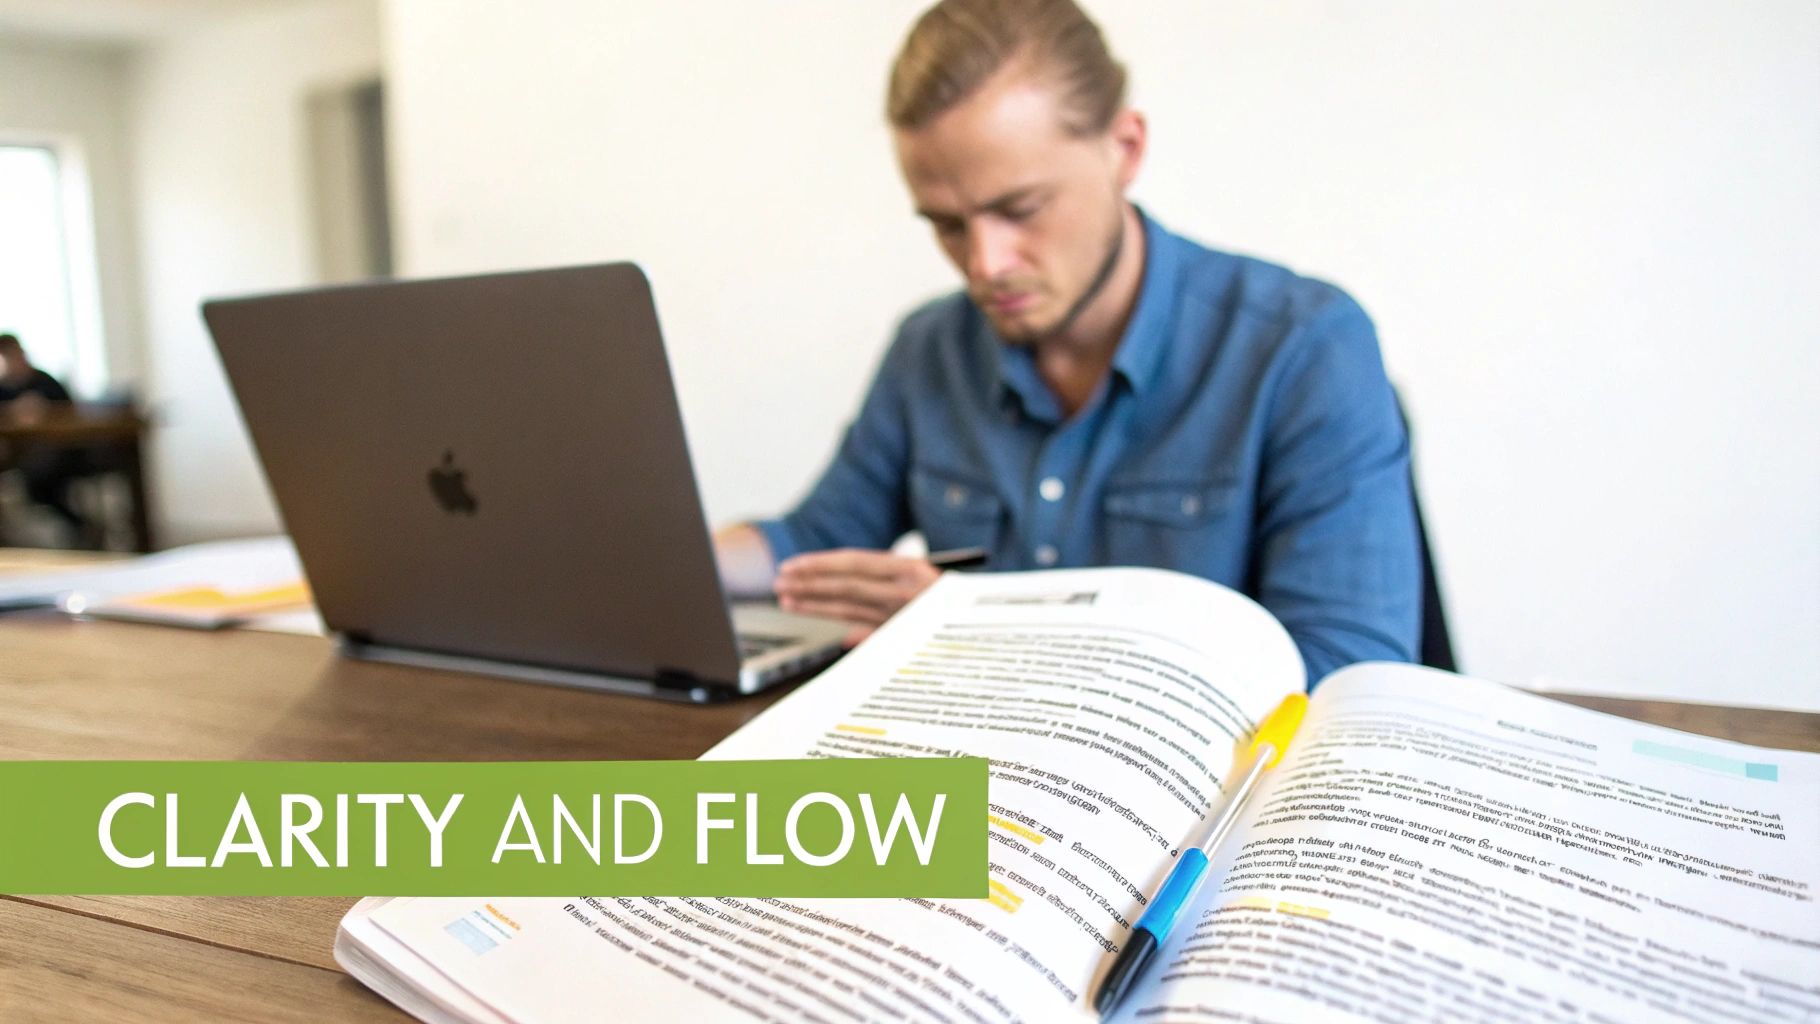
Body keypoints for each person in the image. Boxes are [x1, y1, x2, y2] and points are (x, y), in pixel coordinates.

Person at [713, 0, 1420, 686]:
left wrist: (982, 637)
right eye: (947, 225)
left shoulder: (1302, 349)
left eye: (1019, 210)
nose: (986, 264)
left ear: (1125, 148)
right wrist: (659, 556)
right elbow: (816, 544)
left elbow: (1347, 673)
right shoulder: (929, 348)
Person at [0, 332, 89, 538]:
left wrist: (42, 410)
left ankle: (78, 528)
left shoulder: (45, 382)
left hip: (60, 451)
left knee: (41, 476)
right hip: (18, 456)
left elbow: (70, 414)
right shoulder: (4, 389)